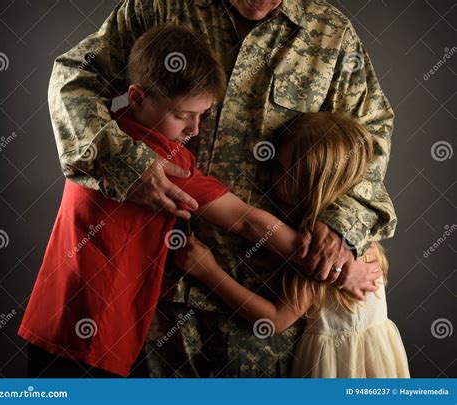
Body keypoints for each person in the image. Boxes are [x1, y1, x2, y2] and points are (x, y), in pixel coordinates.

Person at [46, 0, 396, 376]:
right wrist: (127, 162)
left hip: (264, 295)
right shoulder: (156, 7)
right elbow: (75, 77)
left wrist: (342, 227)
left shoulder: (331, 33)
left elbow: (369, 138)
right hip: (153, 292)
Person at [19, 25, 317, 377]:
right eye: (182, 115)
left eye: (202, 115)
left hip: (52, 318)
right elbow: (243, 220)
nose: (195, 129)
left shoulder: (106, 133)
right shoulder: (161, 157)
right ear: (138, 97)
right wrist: (325, 258)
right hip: (96, 336)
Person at [176, 112, 409, 378]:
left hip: (336, 367)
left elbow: (274, 320)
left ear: (314, 185)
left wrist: (209, 272)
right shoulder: (359, 235)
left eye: (285, 172)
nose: (272, 177)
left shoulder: (323, 248)